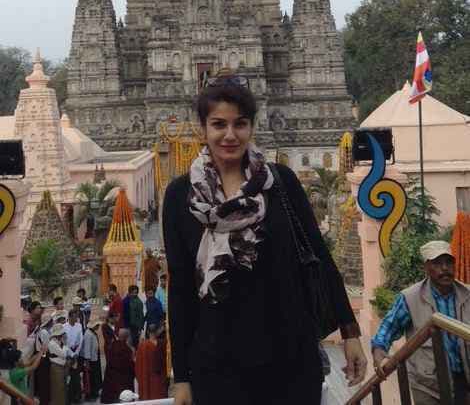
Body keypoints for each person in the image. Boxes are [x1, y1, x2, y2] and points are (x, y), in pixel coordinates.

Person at [163, 75, 367, 405]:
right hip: (217, 363)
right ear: (203, 128)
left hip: (290, 356)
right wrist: (182, 377)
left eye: (240, 124)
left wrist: (350, 331)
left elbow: (319, 255)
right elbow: (181, 288)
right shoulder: (180, 196)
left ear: (252, 127)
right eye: (219, 124)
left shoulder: (280, 182)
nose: (230, 135)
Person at [372, 240, 470, 405]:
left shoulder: (467, 294)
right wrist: (379, 349)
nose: (445, 268)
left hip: (464, 381)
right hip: (428, 385)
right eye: (437, 263)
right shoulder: (410, 297)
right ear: (426, 267)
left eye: (449, 262)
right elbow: (389, 327)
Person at [101, 329, 135, 404]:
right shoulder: (127, 349)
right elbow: (130, 365)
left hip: (111, 378)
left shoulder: (112, 346)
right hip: (123, 380)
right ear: (126, 337)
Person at [135, 323, 168, 400]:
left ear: (147, 332)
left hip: (146, 378)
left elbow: (138, 366)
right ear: (157, 332)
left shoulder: (142, 346)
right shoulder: (163, 344)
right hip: (160, 377)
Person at [64, 310, 84, 404]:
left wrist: (76, 353)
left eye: (77, 316)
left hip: (76, 354)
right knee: (69, 377)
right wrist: (71, 354)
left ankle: (77, 396)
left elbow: (81, 340)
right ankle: (69, 397)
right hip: (68, 355)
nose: (76, 318)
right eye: (75, 316)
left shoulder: (79, 326)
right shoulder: (64, 327)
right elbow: (64, 342)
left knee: (76, 376)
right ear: (70, 317)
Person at [48, 324, 70, 405]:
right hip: (56, 368)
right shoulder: (52, 343)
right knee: (58, 388)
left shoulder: (59, 341)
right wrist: (65, 345)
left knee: (63, 388)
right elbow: (63, 354)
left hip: (62, 367)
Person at [34, 314, 53, 405]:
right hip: (43, 358)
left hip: (41, 357)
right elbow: (47, 347)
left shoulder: (42, 330)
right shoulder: (44, 332)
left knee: (43, 381)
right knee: (44, 382)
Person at [81, 319, 102, 400]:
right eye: (97, 325)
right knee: (90, 379)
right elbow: (87, 349)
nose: (98, 327)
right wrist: (87, 362)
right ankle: (90, 394)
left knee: (94, 377)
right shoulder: (88, 334)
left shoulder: (92, 333)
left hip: (94, 358)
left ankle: (94, 392)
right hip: (90, 360)